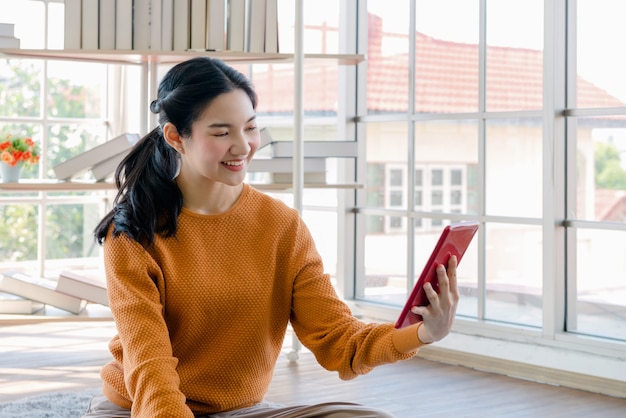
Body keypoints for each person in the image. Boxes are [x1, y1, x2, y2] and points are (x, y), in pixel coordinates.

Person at [83, 56, 459, 418]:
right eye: (221, 132)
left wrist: (422, 332)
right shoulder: (134, 232)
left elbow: (339, 341)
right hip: (142, 409)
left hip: (240, 411)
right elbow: (151, 370)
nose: (243, 146)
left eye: (250, 127)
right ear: (175, 137)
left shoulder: (280, 225)